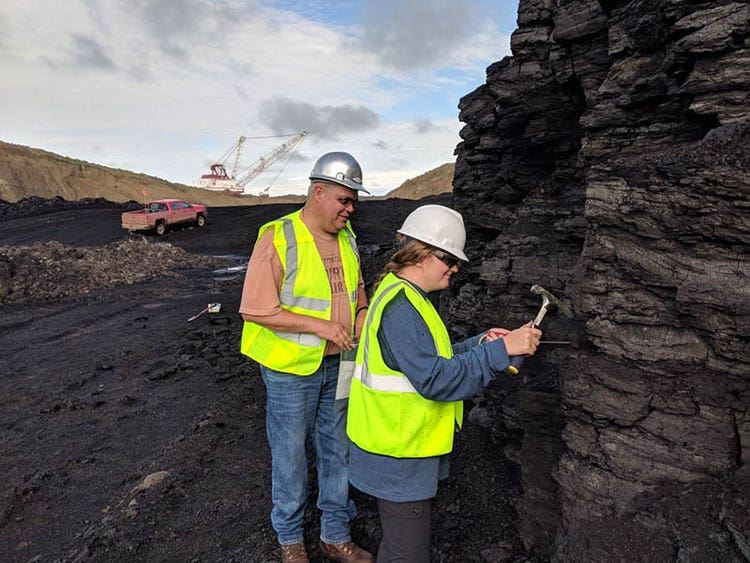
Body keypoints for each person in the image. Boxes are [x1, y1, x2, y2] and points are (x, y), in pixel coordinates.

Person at [346, 204, 542, 562]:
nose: (454, 268)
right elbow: (435, 379)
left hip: (397, 450)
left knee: (398, 546)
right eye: (448, 258)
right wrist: (502, 352)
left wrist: (484, 343)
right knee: (408, 553)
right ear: (420, 253)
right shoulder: (402, 307)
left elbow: (431, 359)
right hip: (398, 455)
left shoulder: (406, 295)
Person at [239, 152, 375, 563]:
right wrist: (319, 326)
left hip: (339, 363)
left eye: (354, 202)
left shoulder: (348, 238)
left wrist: (364, 317)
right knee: (291, 454)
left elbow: (358, 292)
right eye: (344, 200)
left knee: (338, 448)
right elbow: (254, 308)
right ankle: (291, 540)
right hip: (289, 371)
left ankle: (335, 534)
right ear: (318, 192)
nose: (350, 209)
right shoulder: (279, 237)